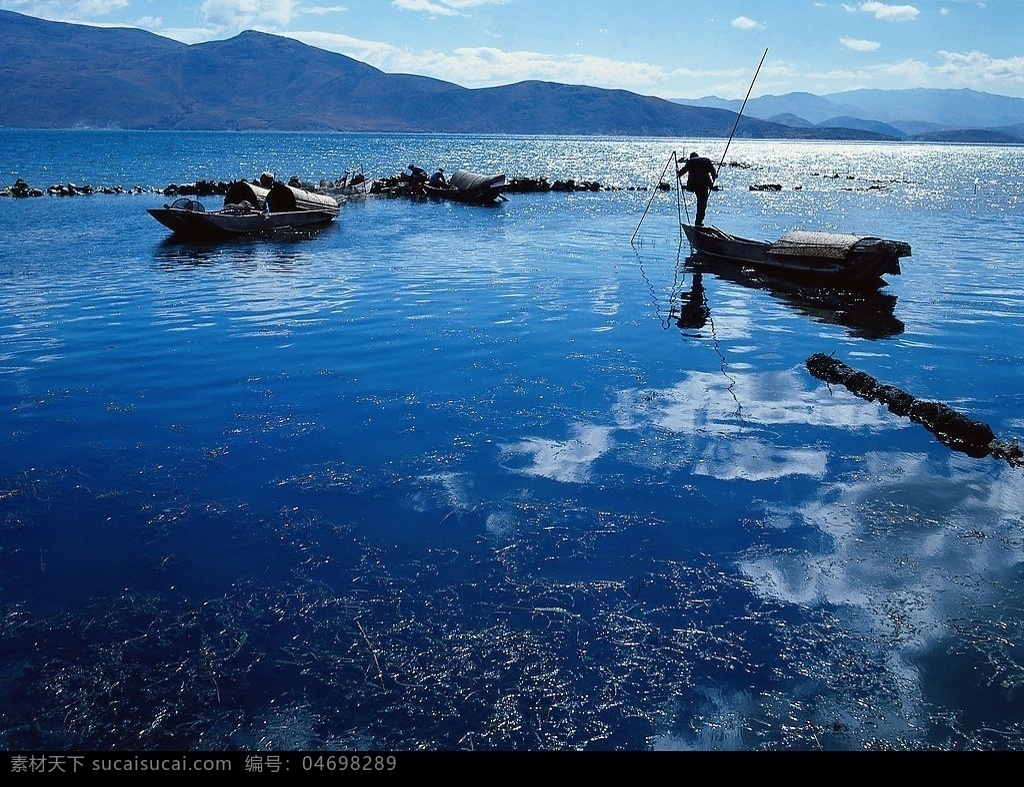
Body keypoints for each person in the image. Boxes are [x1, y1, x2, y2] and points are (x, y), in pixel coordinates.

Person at [677, 151, 718, 226]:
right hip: (704, 185)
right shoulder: (706, 160)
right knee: (702, 204)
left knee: (700, 202)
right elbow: (713, 172)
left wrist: (678, 173)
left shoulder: (690, 162)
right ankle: (699, 221)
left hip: (695, 185)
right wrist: (714, 176)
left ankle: (698, 222)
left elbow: (683, 171)